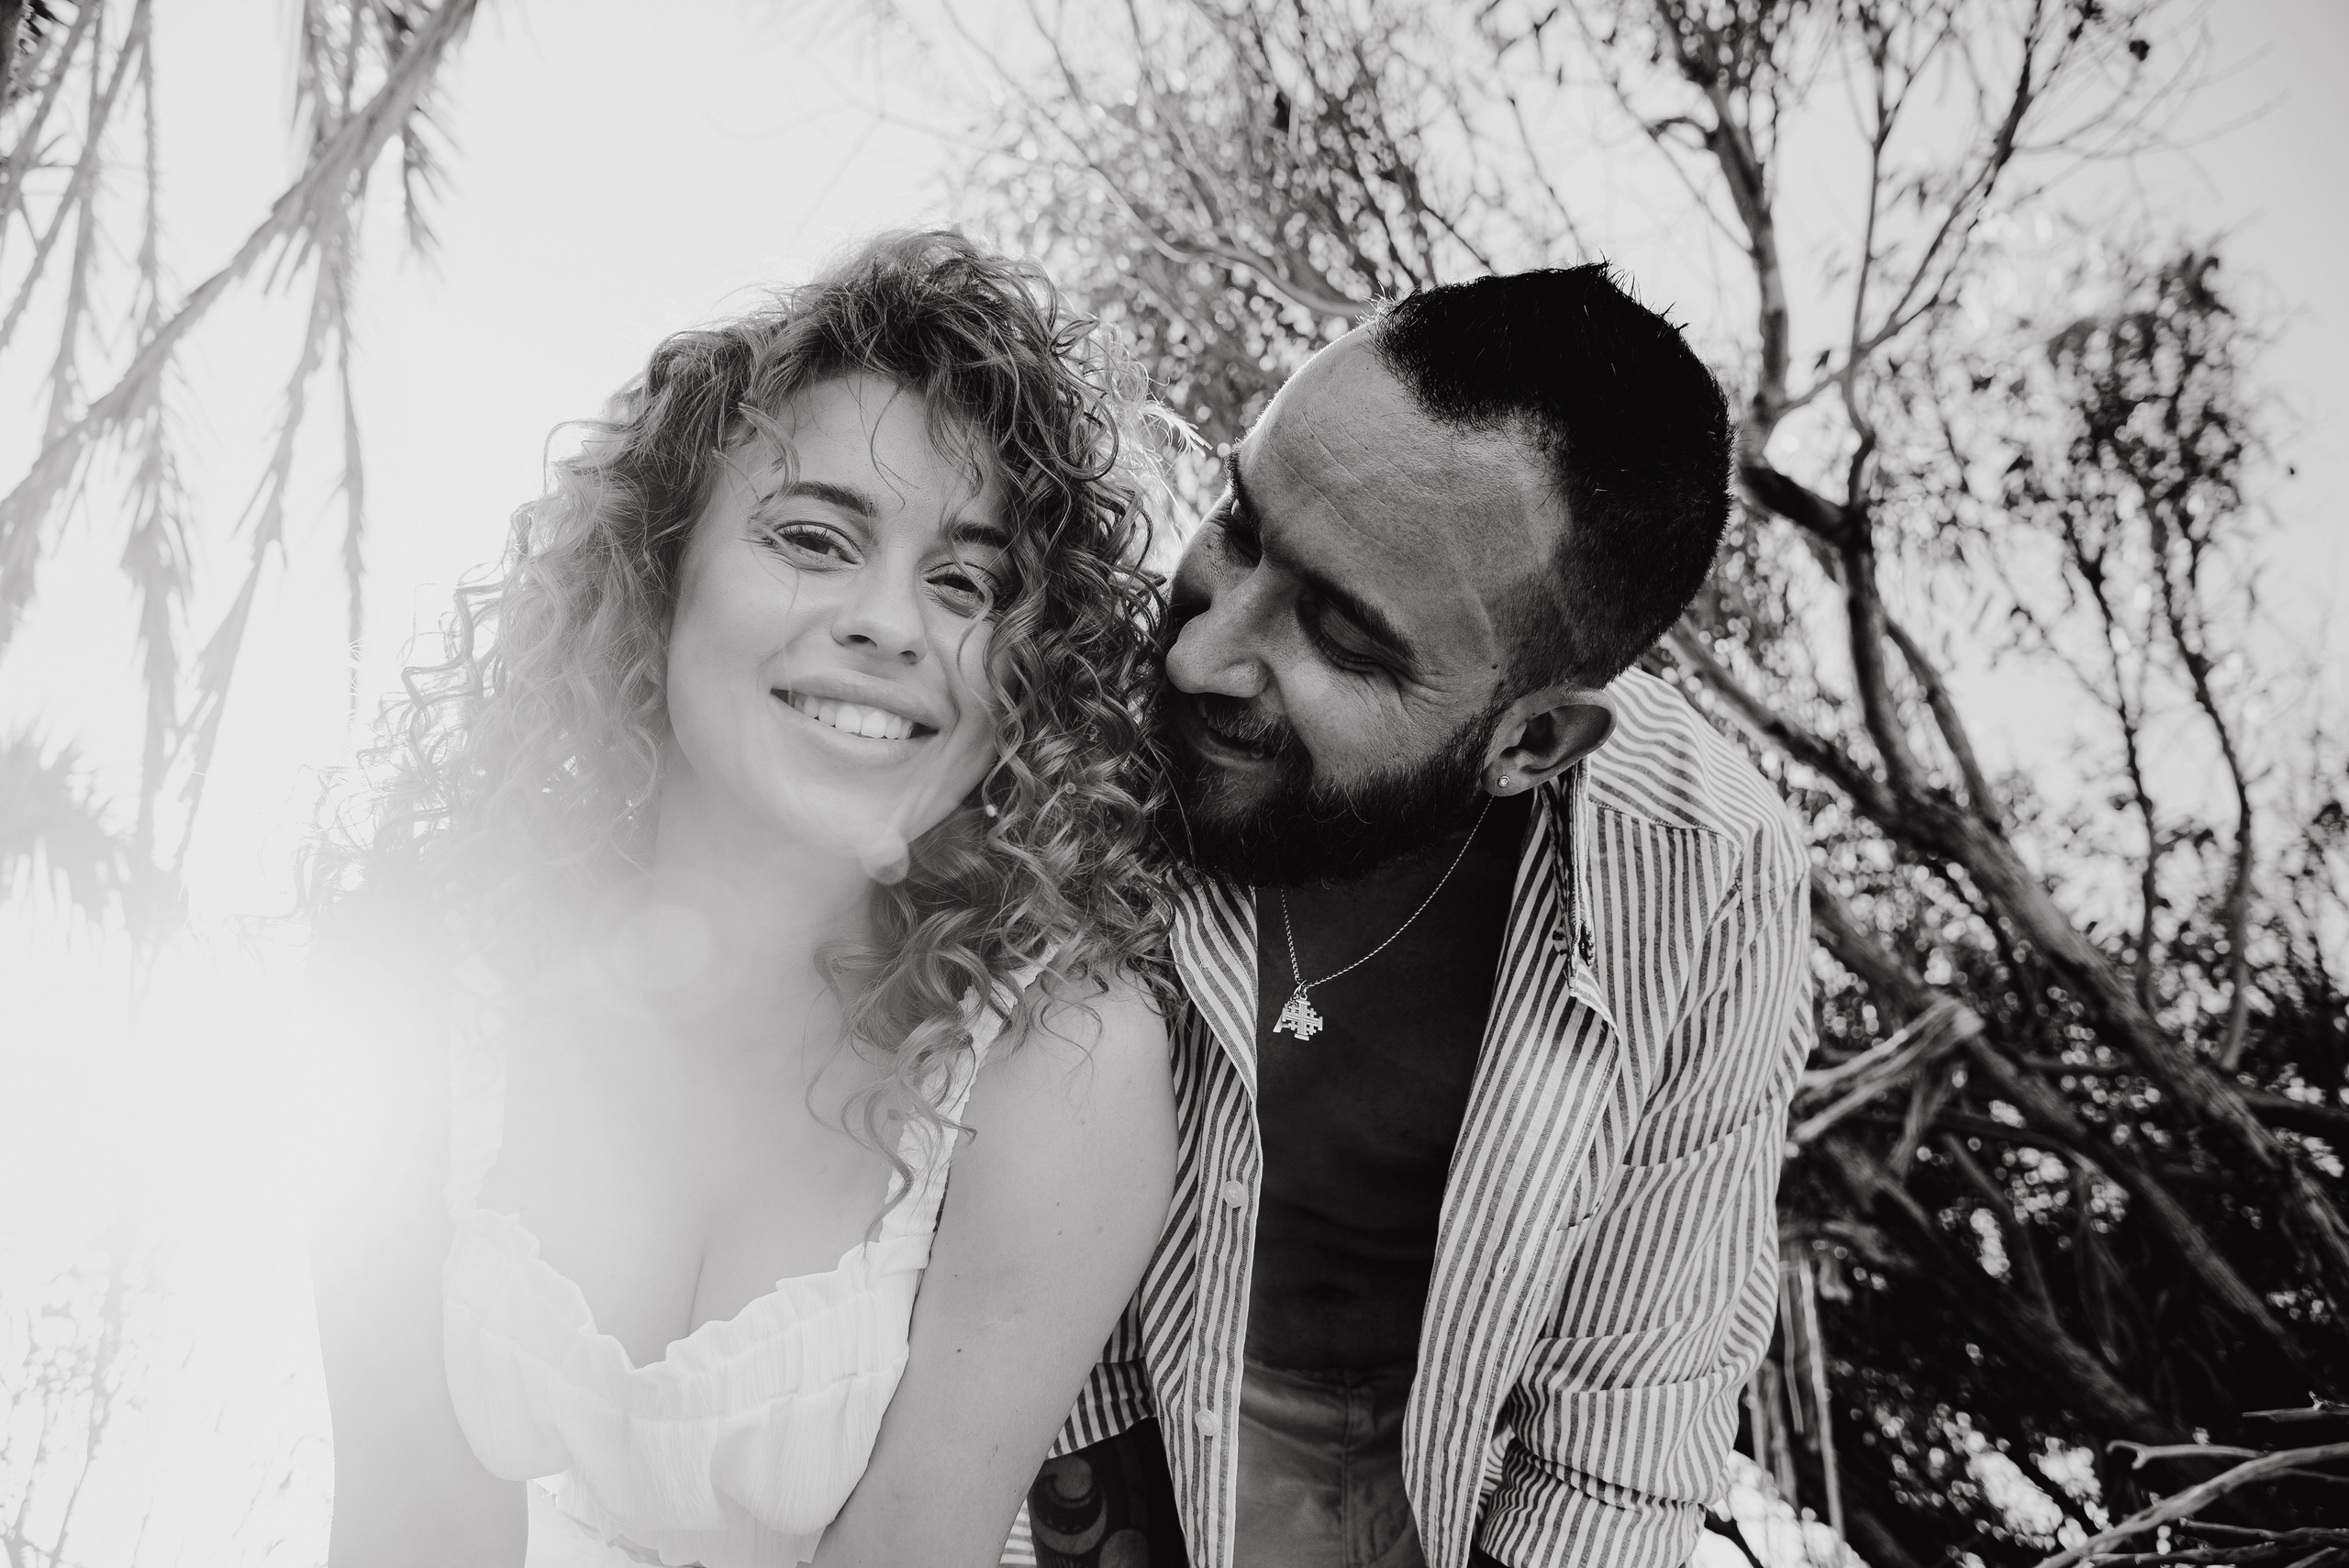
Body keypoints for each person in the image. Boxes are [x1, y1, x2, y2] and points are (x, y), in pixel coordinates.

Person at [305, 231, 1180, 1568]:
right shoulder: (417, 980)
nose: (893, 623)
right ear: (659, 573)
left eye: (964, 581)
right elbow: (404, 1528)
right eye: (815, 538)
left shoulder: (1056, 1064)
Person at [1019, 265, 1814, 1568]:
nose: (1198, 656)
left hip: (1448, 1495)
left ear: (1530, 743)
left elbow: (1624, 1432)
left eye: (1341, 639)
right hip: (1064, 1428)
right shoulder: (1075, 709)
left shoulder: (1707, 874)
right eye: (1240, 525)